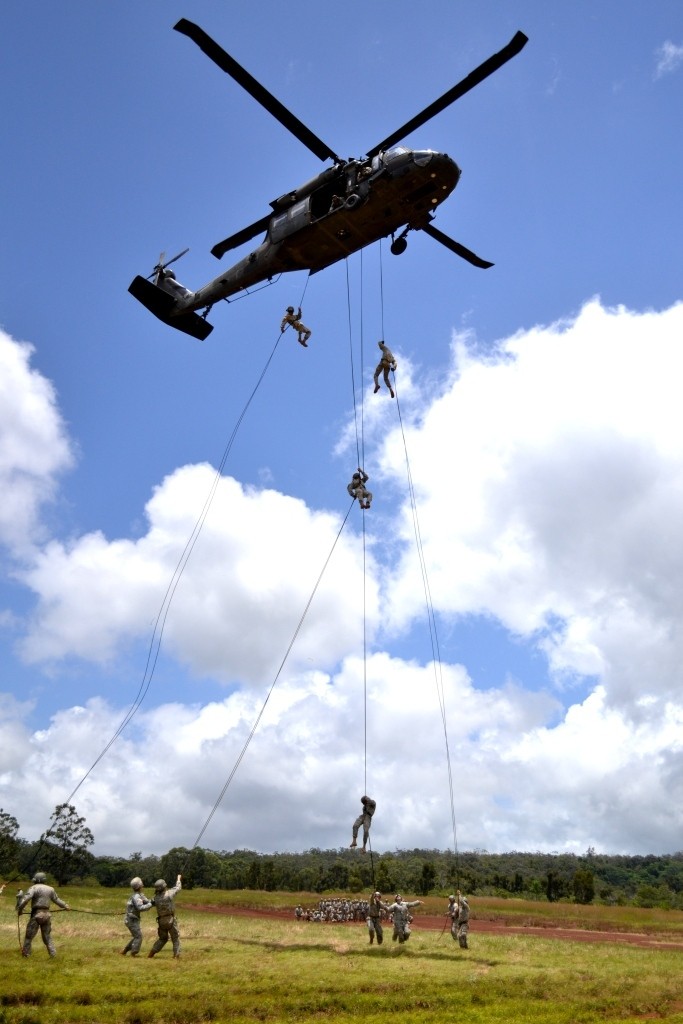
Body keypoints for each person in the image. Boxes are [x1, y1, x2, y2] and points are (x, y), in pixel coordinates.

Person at [16, 872, 70, 958]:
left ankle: (26, 955)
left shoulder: (33, 888)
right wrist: (65, 906)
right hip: (47, 914)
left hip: (36, 914)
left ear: (36, 880)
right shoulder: (50, 889)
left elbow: (26, 899)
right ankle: (53, 955)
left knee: (28, 937)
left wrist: (20, 910)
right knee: (47, 937)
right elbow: (56, 899)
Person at [148, 874, 182, 959]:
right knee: (175, 938)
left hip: (161, 921)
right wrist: (178, 878)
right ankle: (176, 955)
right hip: (170, 920)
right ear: (164, 886)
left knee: (162, 939)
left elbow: (150, 903)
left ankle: (151, 954)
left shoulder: (155, 898)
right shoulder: (169, 894)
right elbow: (178, 887)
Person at [121, 876, 153, 956]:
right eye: (142, 885)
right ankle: (133, 952)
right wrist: (151, 904)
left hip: (131, 919)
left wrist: (153, 901)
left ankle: (125, 950)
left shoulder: (139, 895)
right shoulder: (137, 897)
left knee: (136, 936)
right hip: (131, 920)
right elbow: (140, 908)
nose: (143, 886)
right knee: (138, 937)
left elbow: (147, 901)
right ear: (139, 886)